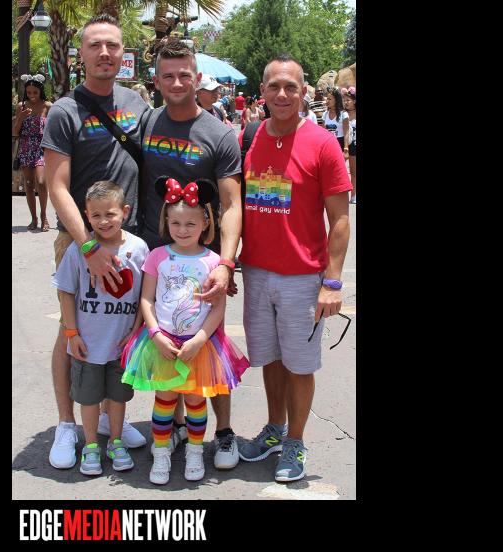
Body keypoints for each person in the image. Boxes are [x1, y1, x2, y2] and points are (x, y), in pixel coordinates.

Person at [42, 14, 151, 470]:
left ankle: (107, 416)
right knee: (73, 330)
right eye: (95, 45)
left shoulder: (138, 103)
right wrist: (88, 247)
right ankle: (67, 423)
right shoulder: (65, 110)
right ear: (80, 54)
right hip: (79, 240)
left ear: (123, 53)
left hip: (128, 238)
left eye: (112, 45)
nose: (104, 53)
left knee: (119, 325)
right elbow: (56, 185)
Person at [237, 54, 352, 482]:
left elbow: (340, 219)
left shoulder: (322, 143)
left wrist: (332, 281)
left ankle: (296, 441)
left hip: (303, 278)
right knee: (270, 358)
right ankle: (274, 428)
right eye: (274, 86)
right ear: (262, 92)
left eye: (291, 87)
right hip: (256, 272)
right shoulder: (248, 138)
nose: (282, 94)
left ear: (304, 92)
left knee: (300, 364)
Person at [139, 39, 244, 470]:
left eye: (185, 74)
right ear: (157, 80)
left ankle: (224, 433)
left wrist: (226, 263)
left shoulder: (218, 134)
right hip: (158, 255)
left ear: (197, 78)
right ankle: (178, 427)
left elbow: (232, 203)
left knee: (210, 352)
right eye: (168, 75)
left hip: (205, 262)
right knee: (170, 343)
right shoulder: (146, 122)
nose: (177, 82)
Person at [121, 177, 249, 484]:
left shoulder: (214, 262)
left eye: (190, 223)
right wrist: (155, 334)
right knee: (164, 399)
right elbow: (147, 300)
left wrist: (200, 340)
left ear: (205, 223)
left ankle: (195, 452)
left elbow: (217, 308)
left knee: (195, 401)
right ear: (166, 222)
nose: (182, 229)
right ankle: (161, 453)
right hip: (163, 342)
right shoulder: (157, 256)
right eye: (176, 223)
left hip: (198, 345)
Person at [52, 181, 149, 475]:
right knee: (89, 398)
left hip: (121, 346)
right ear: (86, 215)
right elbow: (66, 291)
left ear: (125, 211)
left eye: (110, 214)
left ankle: (116, 441)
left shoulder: (138, 248)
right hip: (88, 344)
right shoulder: (78, 251)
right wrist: (71, 334)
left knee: (118, 397)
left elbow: (144, 295)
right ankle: (91, 444)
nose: (104, 221)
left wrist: (135, 331)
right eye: (96, 215)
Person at [12, 74, 53, 231]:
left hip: (42, 148)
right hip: (26, 147)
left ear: (40, 91)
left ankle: (44, 216)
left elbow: (54, 128)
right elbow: (15, 132)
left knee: (41, 182)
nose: (32, 95)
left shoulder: (48, 106)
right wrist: (21, 118)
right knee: (29, 185)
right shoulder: (21, 106)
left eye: (35, 92)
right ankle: (34, 218)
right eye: (29, 92)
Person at [323, 86, 350, 155]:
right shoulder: (325, 114)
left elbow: (346, 133)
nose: (327, 101)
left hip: (340, 144)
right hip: (328, 144)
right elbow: (324, 132)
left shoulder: (344, 114)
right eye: (327, 98)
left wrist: (346, 148)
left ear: (336, 100)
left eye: (330, 99)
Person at [342, 87, 356, 204]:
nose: (346, 102)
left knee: (353, 171)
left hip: (354, 145)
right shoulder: (342, 114)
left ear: (354, 101)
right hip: (343, 145)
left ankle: (353, 195)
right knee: (340, 171)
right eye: (344, 100)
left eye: (348, 100)